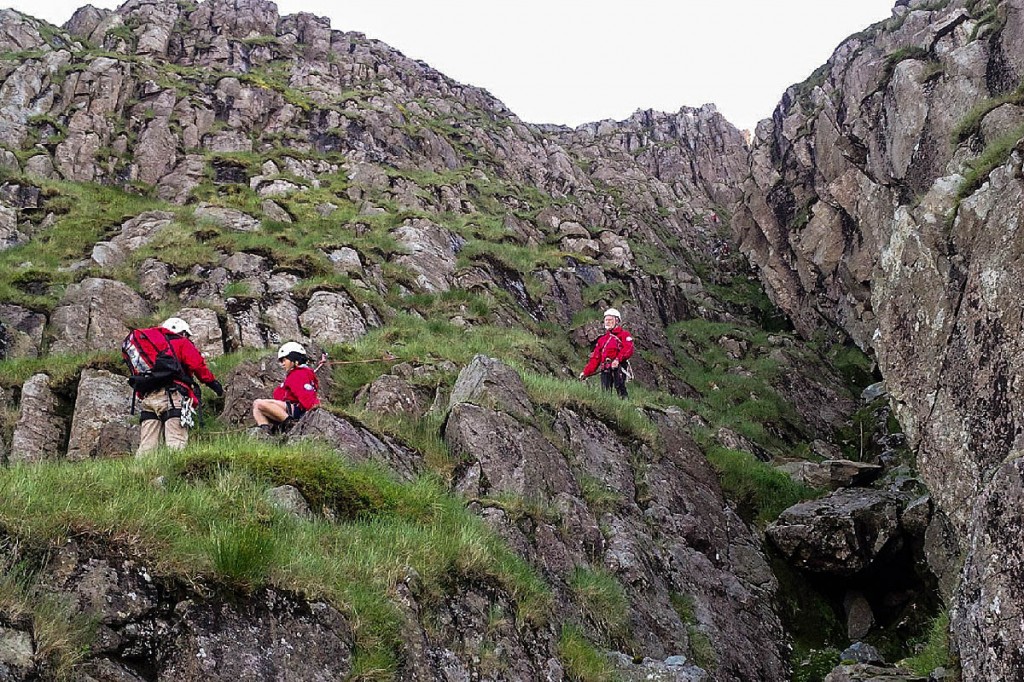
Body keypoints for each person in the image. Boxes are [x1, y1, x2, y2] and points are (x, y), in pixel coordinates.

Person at [137, 317, 223, 455]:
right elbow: (197, 365)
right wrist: (214, 384)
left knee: (147, 446)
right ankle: (174, 475)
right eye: (187, 335)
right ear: (182, 332)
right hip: (173, 396)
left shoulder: (149, 348)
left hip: (148, 398)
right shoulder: (181, 342)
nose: (188, 338)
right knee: (176, 441)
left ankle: (140, 475)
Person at [251, 341, 320, 435]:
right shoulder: (296, 374)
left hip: (297, 411)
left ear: (294, 359)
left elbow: (306, 396)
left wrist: (314, 409)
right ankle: (265, 434)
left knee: (258, 403)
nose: (282, 364)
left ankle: (290, 424)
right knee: (257, 407)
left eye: (284, 360)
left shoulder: (299, 374)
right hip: (290, 409)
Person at [579, 308, 634, 398]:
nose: (607, 322)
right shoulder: (602, 340)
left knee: (620, 388)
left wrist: (617, 359)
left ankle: (626, 407)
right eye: (606, 320)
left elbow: (628, 349)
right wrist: (586, 372)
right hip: (605, 368)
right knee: (605, 392)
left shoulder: (624, 335)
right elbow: (595, 359)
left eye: (610, 320)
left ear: (617, 321)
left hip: (619, 367)